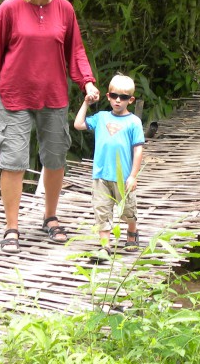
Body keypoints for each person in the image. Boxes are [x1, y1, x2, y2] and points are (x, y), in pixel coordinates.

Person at [0, 0, 99, 253]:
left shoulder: (65, 10)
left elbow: (76, 50)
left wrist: (87, 81)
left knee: (55, 157)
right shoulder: (10, 9)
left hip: (53, 94)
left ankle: (50, 217)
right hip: (15, 96)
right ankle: (11, 227)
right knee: (14, 161)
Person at [74, 74, 145, 261]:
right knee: (102, 211)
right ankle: (105, 247)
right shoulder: (101, 117)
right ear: (108, 96)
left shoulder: (133, 122)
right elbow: (78, 124)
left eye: (123, 97)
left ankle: (132, 231)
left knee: (128, 210)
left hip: (122, 177)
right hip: (100, 175)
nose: (117, 101)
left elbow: (138, 150)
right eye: (114, 96)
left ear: (130, 100)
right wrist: (86, 103)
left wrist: (133, 175)